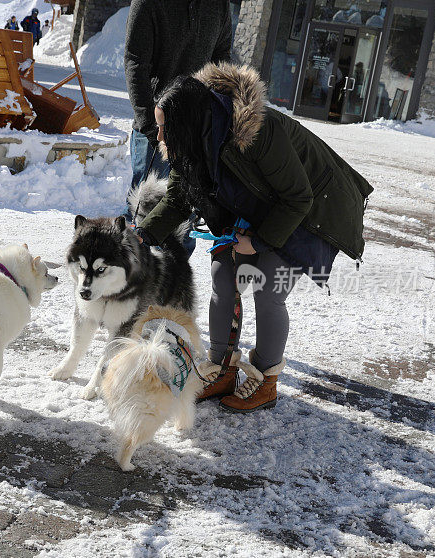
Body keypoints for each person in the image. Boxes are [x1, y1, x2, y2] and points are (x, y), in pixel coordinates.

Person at [135, 62, 373, 413]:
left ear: (188, 123)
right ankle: (222, 369)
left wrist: (258, 243)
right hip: (260, 210)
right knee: (223, 277)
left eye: (163, 128)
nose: (159, 137)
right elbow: (177, 198)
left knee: (268, 288)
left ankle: (266, 379)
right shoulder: (194, 145)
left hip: (310, 211)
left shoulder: (256, 132)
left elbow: (299, 197)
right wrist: (142, 234)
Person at [125, 0, 232, 255]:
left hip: (198, 132)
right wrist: (151, 127)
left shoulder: (218, 5)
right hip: (155, 131)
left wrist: (218, 121)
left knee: (186, 217)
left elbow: (222, 60)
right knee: (147, 212)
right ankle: (136, 285)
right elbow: (135, 62)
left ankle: (174, 288)